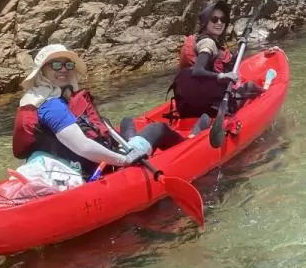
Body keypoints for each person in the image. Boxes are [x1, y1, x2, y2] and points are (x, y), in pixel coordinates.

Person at [12, 44, 208, 177]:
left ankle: (130, 143)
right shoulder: (51, 106)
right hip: (98, 167)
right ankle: (191, 144)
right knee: (158, 129)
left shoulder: (36, 99)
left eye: (68, 64)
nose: (63, 69)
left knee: (127, 121)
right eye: (55, 64)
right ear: (42, 71)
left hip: (74, 161)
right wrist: (124, 159)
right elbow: (83, 147)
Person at [170, 0, 263, 118]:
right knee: (250, 87)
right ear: (205, 21)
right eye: (214, 19)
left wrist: (240, 50)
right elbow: (197, 70)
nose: (219, 23)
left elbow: (223, 63)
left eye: (223, 19)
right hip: (211, 106)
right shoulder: (208, 43)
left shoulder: (199, 39)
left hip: (188, 106)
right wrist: (221, 76)